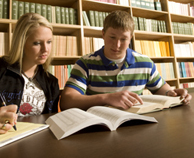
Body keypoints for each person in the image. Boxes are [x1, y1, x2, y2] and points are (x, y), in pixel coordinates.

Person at [60, 10, 192, 111]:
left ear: (130, 38)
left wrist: (173, 93)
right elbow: (66, 102)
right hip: (99, 129)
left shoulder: (145, 63)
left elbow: (161, 89)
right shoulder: (85, 63)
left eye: (123, 39)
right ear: (103, 34)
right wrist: (107, 98)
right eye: (112, 37)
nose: (116, 45)